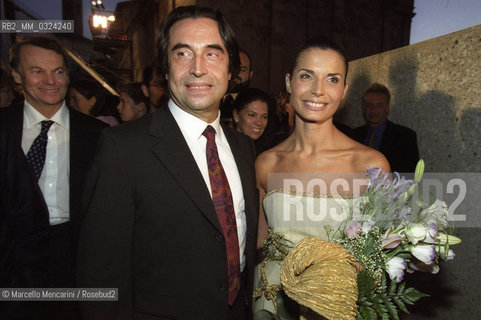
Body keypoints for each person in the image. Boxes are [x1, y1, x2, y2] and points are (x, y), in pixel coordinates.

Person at [77, 5, 258, 320]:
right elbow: (100, 273)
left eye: (212, 54)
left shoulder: (244, 148)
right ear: (165, 67)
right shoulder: (123, 148)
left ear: (231, 71)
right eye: (183, 54)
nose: (198, 69)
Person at [253, 36, 390, 318]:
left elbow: (380, 256)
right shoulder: (265, 164)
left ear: (344, 90)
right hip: (276, 306)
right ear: (289, 82)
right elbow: (258, 248)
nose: (318, 90)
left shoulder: (371, 165)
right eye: (307, 76)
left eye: (332, 79)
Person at [0, 36, 107, 320]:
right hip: (10, 260)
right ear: (16, 75)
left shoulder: (99, 136)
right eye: (37, 71)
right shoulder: (3, 127)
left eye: (58, 71)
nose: (51, 81)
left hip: (73, 261)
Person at [351, 83, 419, 172]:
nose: (373, 110)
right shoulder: (352, 135)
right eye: (369, 105)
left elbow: (409, 176)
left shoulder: (405, 137)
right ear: (363, 108)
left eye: (379, 105)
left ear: (387, 108)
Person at [232, 87, 272, 155]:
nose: (259, 122)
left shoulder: (266, 154)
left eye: (264, 117)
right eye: (252, 115)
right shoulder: (224, 149)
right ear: (236, 115)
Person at [220, 48, 254, 126]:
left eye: (242, 70)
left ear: (250, 74)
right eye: (232, 69)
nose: (236, 74)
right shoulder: (208, 100)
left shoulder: (258, 104)